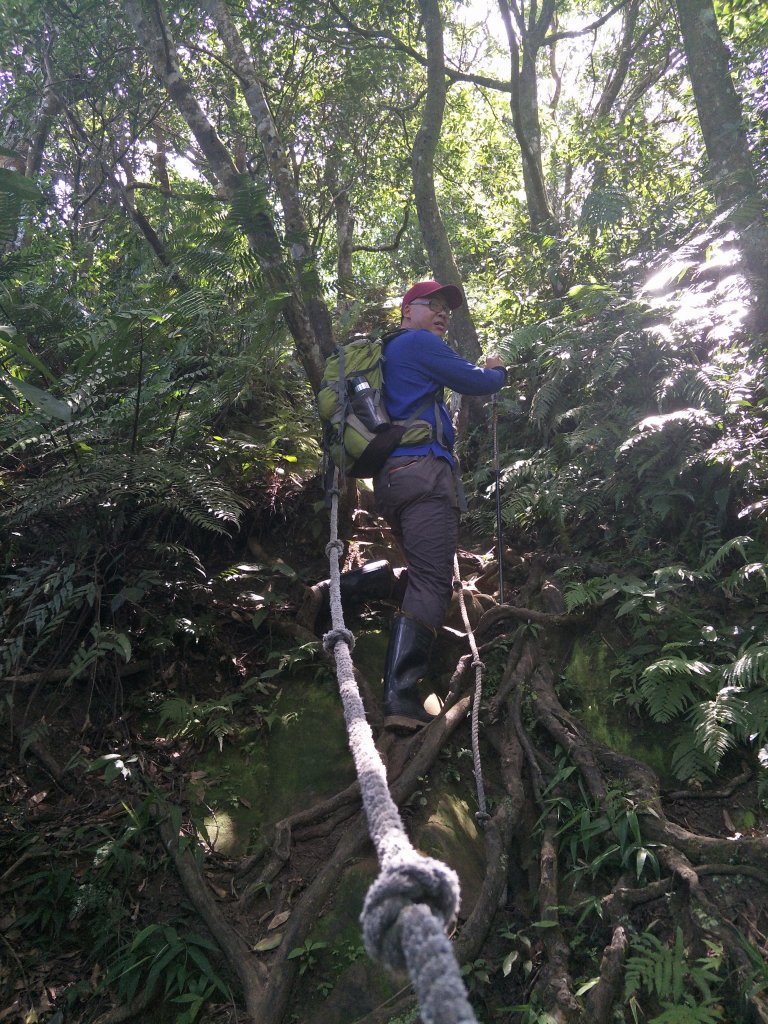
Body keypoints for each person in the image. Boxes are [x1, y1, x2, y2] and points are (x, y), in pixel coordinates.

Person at [375, 280, 506, 730]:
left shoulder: (395, 352)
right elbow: (478, 382)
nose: (443, 313)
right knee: (432, 581)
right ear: (407, 311)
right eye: (432, 304)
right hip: (423, 475)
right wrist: (497, 369)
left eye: (447, 307)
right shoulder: (416, 342)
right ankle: (401, 695)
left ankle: (352, 590)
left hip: (394, 478)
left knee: (420, 571)